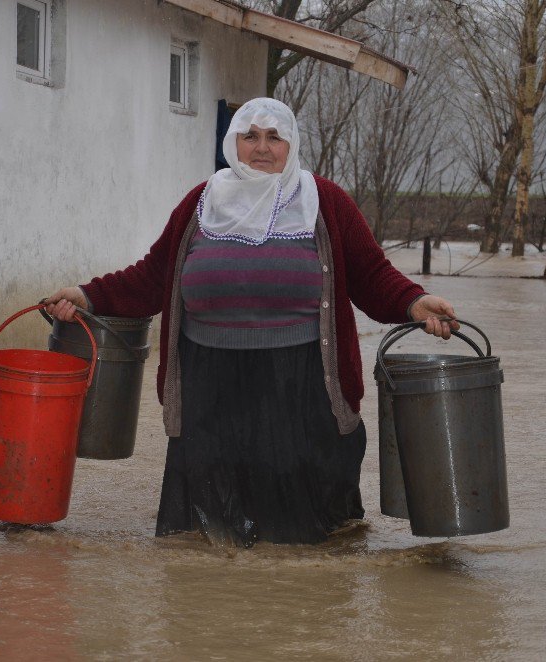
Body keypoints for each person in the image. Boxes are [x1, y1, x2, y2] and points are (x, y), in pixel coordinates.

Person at [46, 98, 458, 548]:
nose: (262, 148)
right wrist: (88, 295)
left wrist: (415, 302)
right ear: (233, 143)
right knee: (205, 538)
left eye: (274, 137)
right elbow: (152, 277)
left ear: (291, 144)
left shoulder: (325, 201)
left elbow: (372, 274)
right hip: (209, 383)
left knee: (306, 540)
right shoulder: (201, 202)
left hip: (301, 383)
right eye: (251, 136)